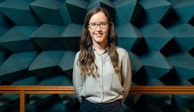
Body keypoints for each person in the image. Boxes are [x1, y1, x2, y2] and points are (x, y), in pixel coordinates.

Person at [72, 7, 132, 112]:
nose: (98, 29)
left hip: (114, 108)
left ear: (109, 27)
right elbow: (78, 87)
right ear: (88, 28)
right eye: (94, 24)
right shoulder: (80, 56)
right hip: (87, 107)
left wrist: (116, 104)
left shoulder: (122, 54)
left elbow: (126, 84)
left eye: (103, 24)